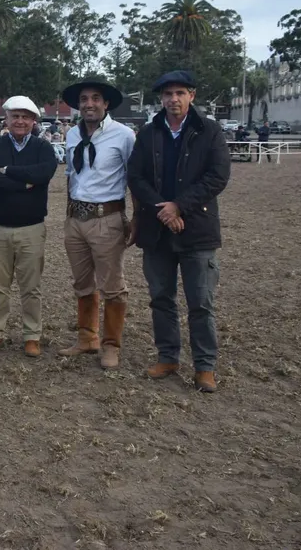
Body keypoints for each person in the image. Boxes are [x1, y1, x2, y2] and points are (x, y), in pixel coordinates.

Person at [128, 70, 231, 393]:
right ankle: (168, 356)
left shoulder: (209, 130)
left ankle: (205, 366)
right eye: (168, 94)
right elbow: (136, 176)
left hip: (196, 230)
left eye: (180, 93)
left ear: (192, 96)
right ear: (161, 98)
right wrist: (163, 209)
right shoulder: (149, 133)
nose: (173, 99)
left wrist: (179, 206)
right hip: (157, 230)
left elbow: (217, 176)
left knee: (200, 302)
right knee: (161, 299)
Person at [57, 75, 136, 370]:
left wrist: (135, 218)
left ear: (106, 103)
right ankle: (87, 337)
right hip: (76, 218)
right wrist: (69, 213)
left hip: (107, 218)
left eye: (95, 99)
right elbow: (71, 176)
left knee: (112, 286)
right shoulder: (72, 135)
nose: (89, 104)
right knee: (82, 283)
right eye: (83, 100)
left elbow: (134, 178)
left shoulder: (123, 135)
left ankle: (111, 345)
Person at [0, 96, 58, 356]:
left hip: (32, 228)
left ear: (33, 121)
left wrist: (7, 170)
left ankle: (32, 336)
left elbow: (44, 173)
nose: (20, 121)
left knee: (31, 287)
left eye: (25, 117)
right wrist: (25, 183)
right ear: (7, 119)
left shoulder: (43, 147)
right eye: (15, 116)